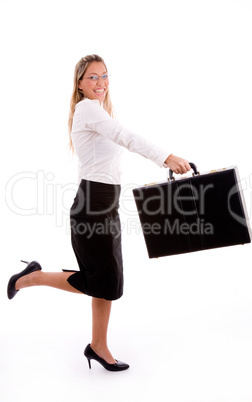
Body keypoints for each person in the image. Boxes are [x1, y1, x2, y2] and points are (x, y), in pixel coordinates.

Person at [7, 54, 191, 372]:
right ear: (79, 84)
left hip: (107, 206)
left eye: (105, 76)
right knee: (101, 281)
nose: (101, 82)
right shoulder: (88, 110)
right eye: (93, 77)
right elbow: (127, 137)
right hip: (92, 207)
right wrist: (167, 157)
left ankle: (98, 346)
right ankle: (32, 278)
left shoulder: (97, 112)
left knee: (109, 282)